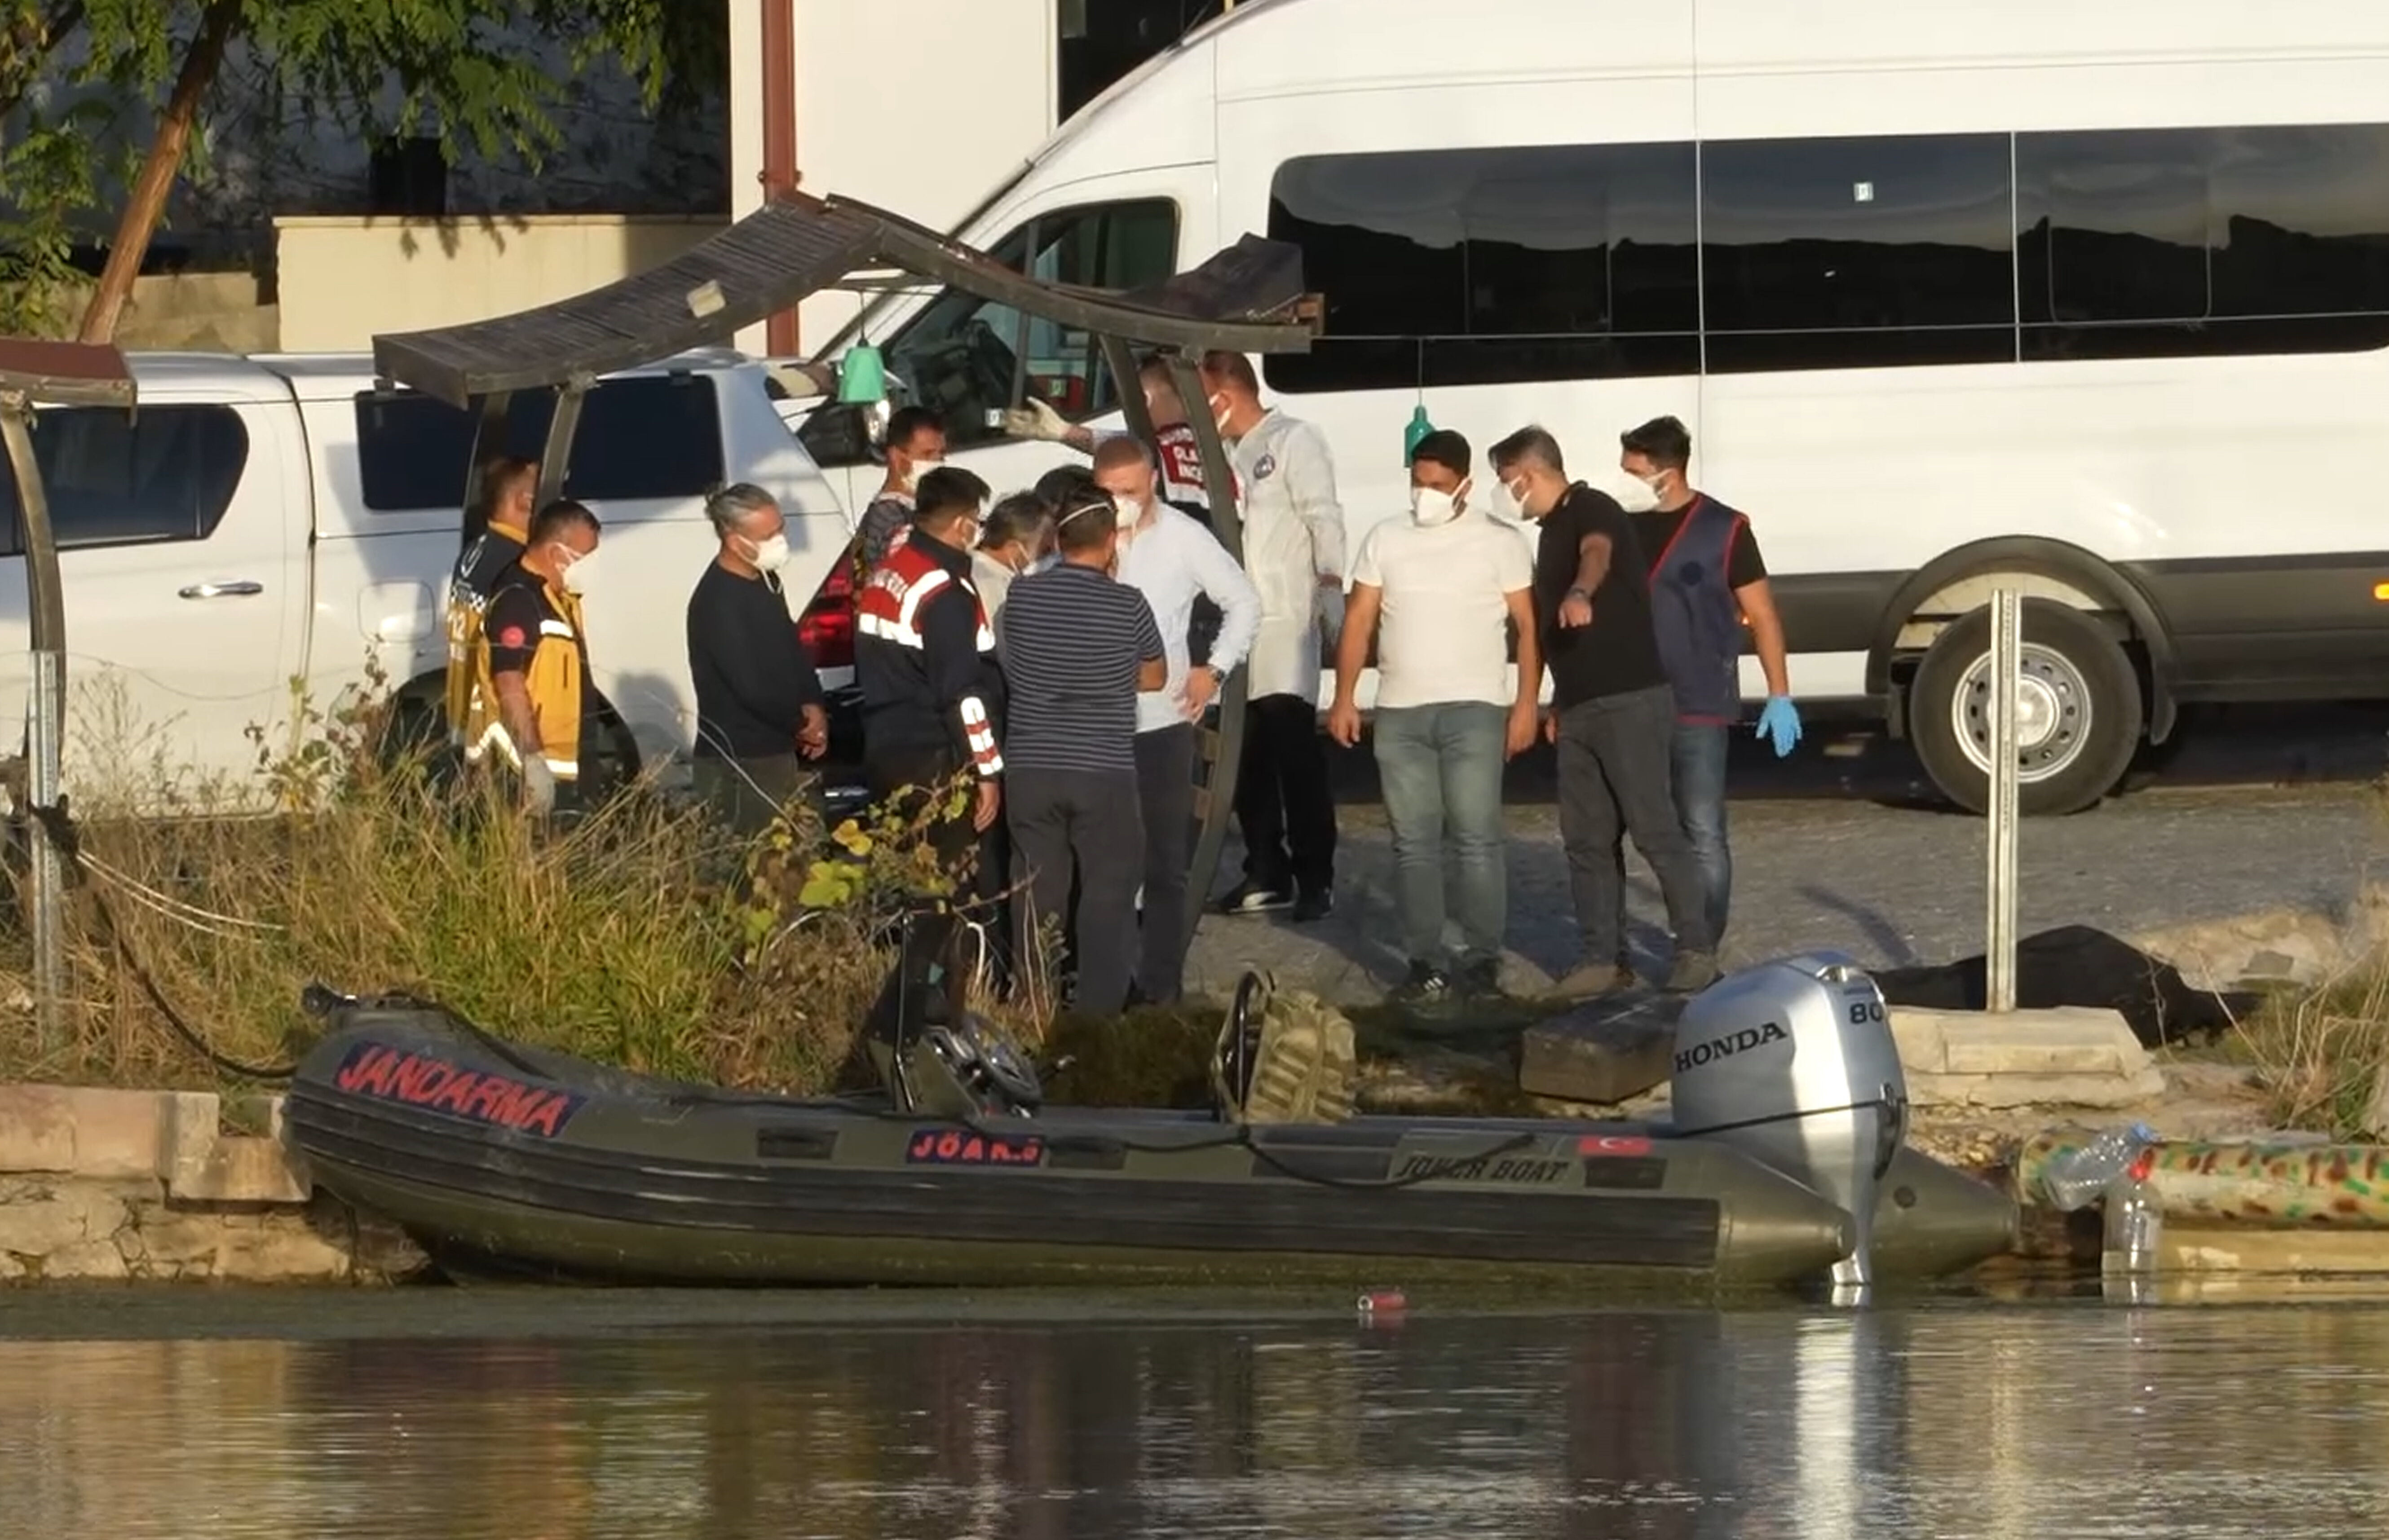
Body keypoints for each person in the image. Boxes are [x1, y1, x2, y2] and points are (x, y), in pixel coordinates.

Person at [1488, 425, 1717, 997]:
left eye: (1506, 482)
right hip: (1581, 708)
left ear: (1530, 475)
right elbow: (1542, 636)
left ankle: (1695, 949)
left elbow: (1599, 554)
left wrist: (1581, 592)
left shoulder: (1591, 507)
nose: (1505, 493)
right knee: (1586, 838)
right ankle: (1602, 958)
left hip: (1629, 698)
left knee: (1654, 828)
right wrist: (1550, 703)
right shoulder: (1548, 533)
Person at [1328, 431, 1540, 1005]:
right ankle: (1425, 962)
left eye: (1438, 486)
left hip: (1476, 707)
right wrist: (1346, 697)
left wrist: (1527, 703)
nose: (1425, 495)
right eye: (1418, 484)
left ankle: (1481, 960)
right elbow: (1358, 623)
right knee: (1413, 842)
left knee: (1476, 838)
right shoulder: (1385, 538)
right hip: (1400, 712)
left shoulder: (1501, 541)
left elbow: (1528, 627)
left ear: (1465, 485)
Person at [1617, 415, 1801, 949]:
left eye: (1633, 470)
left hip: (1698, 701)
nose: (1624, 480)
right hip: (1634, 701)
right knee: (1647, 831)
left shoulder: (1725, 529)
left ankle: (1701, 946)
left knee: (1702, 831)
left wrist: (1780, 693)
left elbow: (1762, 615)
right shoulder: (1620, 526)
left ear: (1667, 473)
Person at [1092, 434, 1262, 1005]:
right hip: (1096, 722)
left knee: (1166, 864)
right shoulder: (1083, 535)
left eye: (1130, 492)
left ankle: (1160, 988)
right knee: (1104, 863)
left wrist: (1214, 669)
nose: (1120, 503)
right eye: (1108, 493)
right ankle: (1103, 984)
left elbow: (1244, 601)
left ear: (1154, 485)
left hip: (1162, 720)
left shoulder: (1184, 539)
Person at [996, 490, 1167, 1016]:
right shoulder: (1129, 603)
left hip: (1030, 767)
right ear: (1112, 541)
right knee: (1108, 893)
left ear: (1055, 540)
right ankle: (1098, 1013)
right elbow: (1156, 677)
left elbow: (1009, 659)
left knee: (1035, 890)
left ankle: (1035, 1003)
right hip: (1102, 769)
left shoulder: (1020, 599)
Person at [1199, 349, 1343, 922]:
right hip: (1239, 619)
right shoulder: (1227, 449)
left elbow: (1323, 515)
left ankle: (1316, 875)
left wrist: (1331, 581)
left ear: (1225, 394)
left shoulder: (1293, 440)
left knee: (1294, 753)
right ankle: (1265, 869)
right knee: (1245, 755)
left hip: (1285, 615)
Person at [856, 465, 1004, 893]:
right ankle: (938, 962)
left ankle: (914, 960)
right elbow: (964, 694)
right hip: (937, 762)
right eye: (977, 520)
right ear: (962, 525)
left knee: (908, 880)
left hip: (886, 750)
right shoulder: (944, 593)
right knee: (948, 888)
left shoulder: (890, 572)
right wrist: (987, 770)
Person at [686, 482, 829, 838]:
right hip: (740, 760)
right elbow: (750, 685)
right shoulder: (717, 602)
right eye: (769, 534)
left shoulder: (767, 581)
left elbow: (791, 647)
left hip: (776, 748)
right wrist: (800, 723)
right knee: (757, 868)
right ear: (736, 541)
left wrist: (814, 703)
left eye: (780, 528)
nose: (780, 539)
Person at [461, 498, 601, 817]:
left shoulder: (555, 596)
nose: (590, 565)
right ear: (555, 553)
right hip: (521, 768)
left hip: (559, 765)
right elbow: (508, 679)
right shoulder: (519, 600)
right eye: (585, 556)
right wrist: (534, 758)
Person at [442, 454, 539, 760]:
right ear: (525, 501)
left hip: (465, 717)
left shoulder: (477, 549)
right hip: (497, 727)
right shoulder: (515, 563)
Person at [856, 406, 948, 569]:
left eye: (941, 454)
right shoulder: (887, 516)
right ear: (896, 458)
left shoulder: (921, 507)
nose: (937, 462)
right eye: (927, 454)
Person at [972, 492, 1056, 626]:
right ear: (1013, 548)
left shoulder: (967, 565)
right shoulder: (992, 588)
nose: (1052, 558)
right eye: (1045, 551)